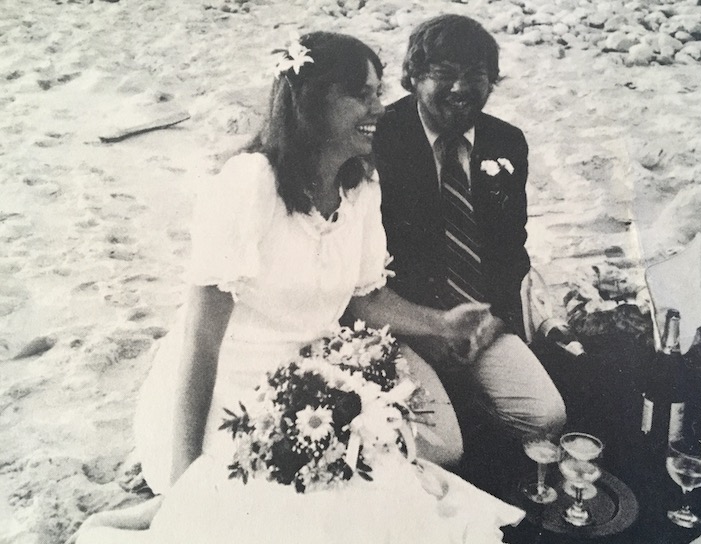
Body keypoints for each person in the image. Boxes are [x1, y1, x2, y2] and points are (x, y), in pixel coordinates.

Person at [73, 31, 523, 544]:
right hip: (230, 389)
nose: (379, 107)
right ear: (312, 101)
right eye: (362, 94)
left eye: (378, 92)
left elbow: (366, 298)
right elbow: (200, 342)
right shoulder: (249, 185)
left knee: (382, 493)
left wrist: (440, 323)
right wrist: (184, 482)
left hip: (313, 379)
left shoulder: (360, 187)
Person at [367, 14, 566, 479]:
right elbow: (363, 264)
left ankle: (463, 398)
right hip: (400, 322)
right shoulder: (380, 138)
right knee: (441, 452)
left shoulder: (506, 142)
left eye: (476, 74)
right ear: (413, 77)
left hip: (477, 320)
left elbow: (512, 249)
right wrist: (425, 331)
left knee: (547, 418)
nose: (461, 87)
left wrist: (495, 320)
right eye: (444, 72)